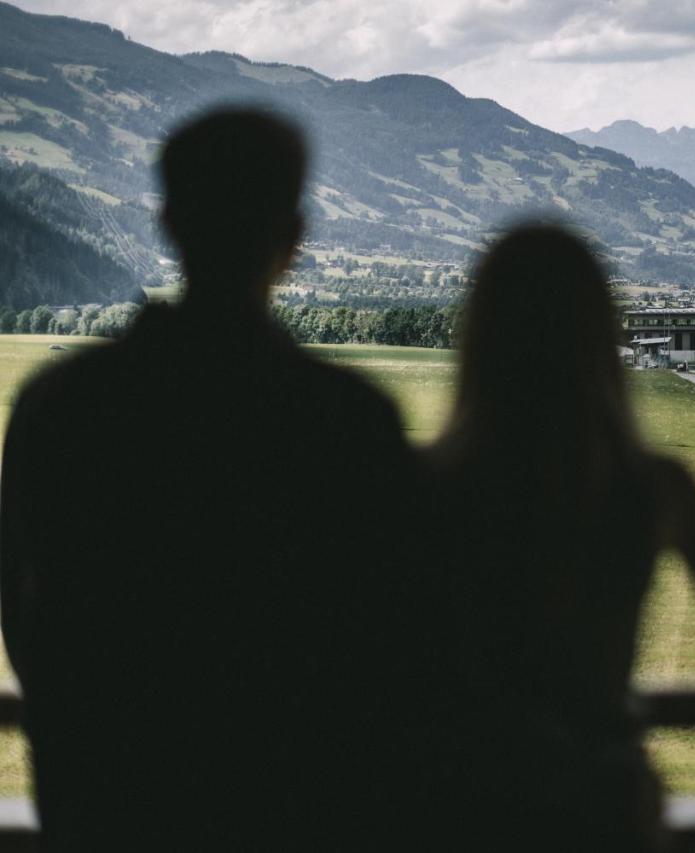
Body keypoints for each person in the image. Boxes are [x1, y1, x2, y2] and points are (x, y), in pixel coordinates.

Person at [1, 108, 427, 849]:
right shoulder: (352, 422)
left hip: (109, 802)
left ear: (166, 221)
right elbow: (389, 642)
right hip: (296, 807)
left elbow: (21, 602)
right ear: (294, 236)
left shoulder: (61, 405)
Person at [421, 225, 695, 850]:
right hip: (601, 803)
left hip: (465, 802)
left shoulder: (426, 486)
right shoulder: (652, 486)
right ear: (599, 336)